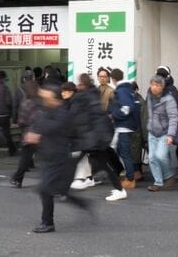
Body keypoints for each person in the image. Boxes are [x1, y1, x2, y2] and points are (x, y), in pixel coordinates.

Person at [24, 85, 91, 234]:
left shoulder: (63, 112)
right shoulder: (45, 110)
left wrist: (38, 131)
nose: (44, 100)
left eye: (47, 98)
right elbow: (37, 125)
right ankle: (80, 203)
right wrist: (33, 134)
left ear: (55, 99)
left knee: (45, 189)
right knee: (58, 191)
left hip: (59, 157)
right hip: (47, 156)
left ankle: (47, 223)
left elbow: (51, 126)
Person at [68, 74, 126, 202]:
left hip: (92, 138)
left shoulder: (84, 97)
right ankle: (116, 188)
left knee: (99, 163)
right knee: (97, 163)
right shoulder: (92, 95)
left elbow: (84, 119)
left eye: (80, 83)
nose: (78, 85)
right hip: (94, 137)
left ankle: (119, 189)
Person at [146, 75, 178, 192]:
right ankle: (158, 182)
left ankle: (168, 175)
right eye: (153, 84)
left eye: (157, 85)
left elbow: (173, 117)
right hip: (152, 131)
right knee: (152, 158)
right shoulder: (149, 96)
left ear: (162, 87)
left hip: (164, 132)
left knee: (161, 156)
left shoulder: (169, 99)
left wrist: (170, 135)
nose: (154, 87)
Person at [109, 68, 139, 190]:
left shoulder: (122, 91)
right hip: (126, 126)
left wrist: (114, 115)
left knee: (124, 152)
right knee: (122, 151)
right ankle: (128, 175)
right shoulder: (127, 89)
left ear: (113, 79)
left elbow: (127, 107)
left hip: (123, 126)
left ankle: (130, 179)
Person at [11, 80, 40, 188]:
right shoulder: (42, 102)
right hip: (42, 133)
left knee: (25, 158)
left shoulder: (26, 103)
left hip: (29, 135)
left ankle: (18, 179)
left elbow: (22, 121)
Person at [131, 81, 147, 182]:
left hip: (137, 132)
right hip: (134, 131)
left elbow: (144, 120)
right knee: (134, 153)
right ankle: (137, 173)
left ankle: (137, 174)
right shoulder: (136, 100)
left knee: (135, 154)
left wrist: (144, 137)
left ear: (136, 89)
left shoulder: (140, 102)